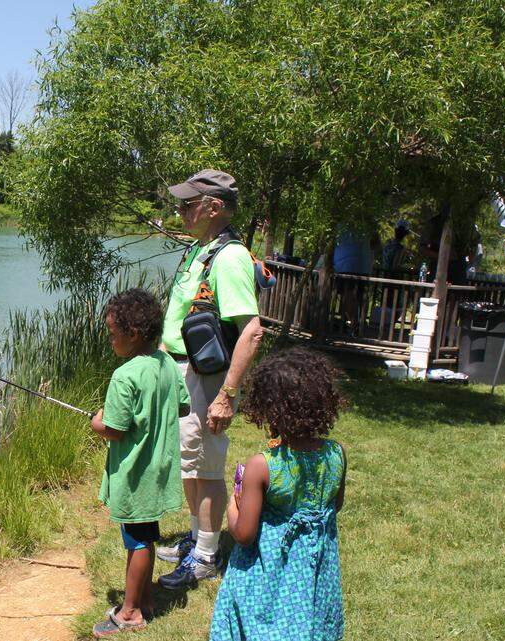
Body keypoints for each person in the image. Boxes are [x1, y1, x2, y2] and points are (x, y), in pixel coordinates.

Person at [154, 169, 263, 588]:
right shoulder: (200, 250)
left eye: (187, 204)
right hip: (182, 372)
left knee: (207, 467)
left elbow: (251, 329)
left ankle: (205, 556)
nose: (179, 210)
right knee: (189, 463)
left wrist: (226, 396)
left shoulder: (230, 257)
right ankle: (198, 537)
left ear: (213, 207)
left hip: (205, 379)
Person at [209, 347, 347, 640]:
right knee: (310, 623)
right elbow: (336, 504)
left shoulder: (264, 466)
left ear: (270, 408)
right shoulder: (337, 453)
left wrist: (234, 507)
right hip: (315, 571)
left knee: (267, 625)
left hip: (270, 571)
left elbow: (245, 534)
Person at [90, 288, 190, 637]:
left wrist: (96, 422)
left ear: (132, 334)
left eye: (112, 334)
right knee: (146, 536)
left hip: (135, 473)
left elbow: (114, 430)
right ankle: (145, 599)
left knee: (135, 540)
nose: (110, 340)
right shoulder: (166, 365)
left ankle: (130, 612)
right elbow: (183, 407)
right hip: (158, 467)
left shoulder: (125, 375)